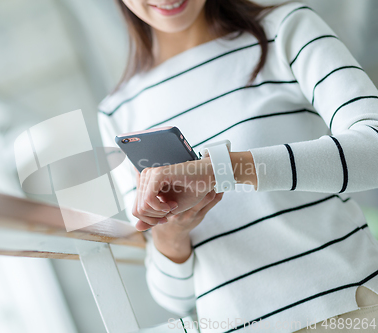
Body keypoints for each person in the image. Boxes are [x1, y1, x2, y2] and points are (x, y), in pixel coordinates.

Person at [97, 0, 378, 332]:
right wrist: (171, 235)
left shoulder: (286, 29)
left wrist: (223, 170)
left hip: (346, 311)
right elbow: (173, 298)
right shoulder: (118, 112)